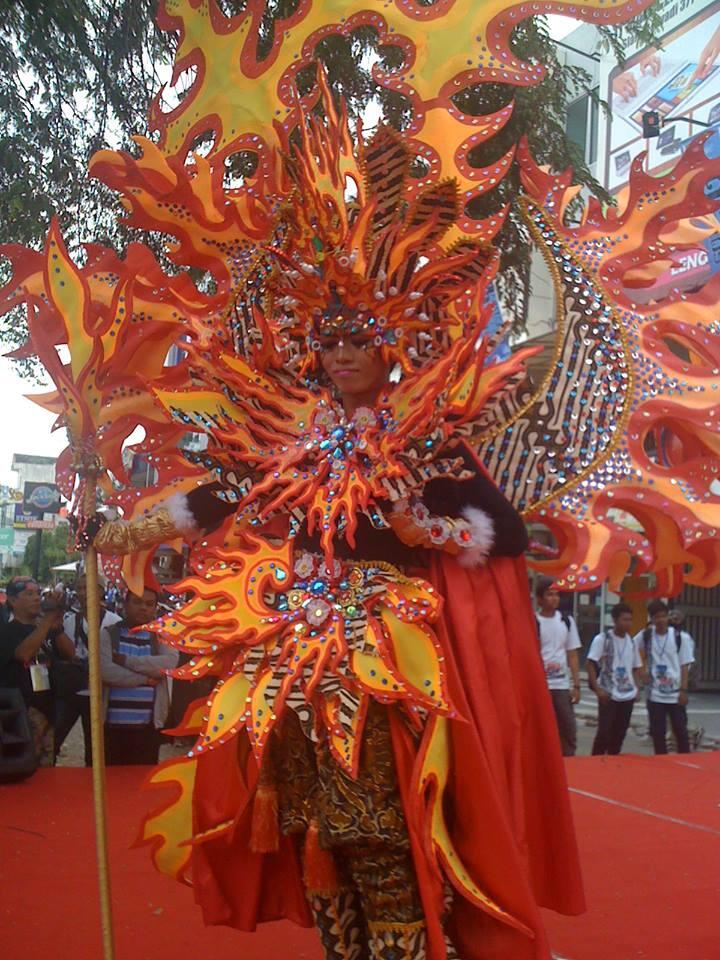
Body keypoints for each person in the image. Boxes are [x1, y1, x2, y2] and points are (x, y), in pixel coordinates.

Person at [0, 577, 74, 765]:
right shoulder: (7, 631)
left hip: (48, 707)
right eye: (29, 594)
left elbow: (70, 653)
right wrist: (47, 620)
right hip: (21, 711)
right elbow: (24, 654)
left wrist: (56, 629)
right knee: (23, 764)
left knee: (46, 764)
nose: (36, 598)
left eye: (38, 593)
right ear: (13, 600)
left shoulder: (45, 628)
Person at [100, 587, 178, 765]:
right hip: (112, 726)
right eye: (137, 602)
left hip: (148, 726)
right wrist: (145, 679)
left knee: (142, 781)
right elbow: (105, 672)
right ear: (125, 604)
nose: (143, 608)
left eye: (149, 604)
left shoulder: (161, 636)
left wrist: (126, 660)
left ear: (155, 608)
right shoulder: (108, 634)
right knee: (113, 782)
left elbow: (169, 663)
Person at [54, 573, 122, 765]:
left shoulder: (114, 622)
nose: (84, 592)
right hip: (72, 692)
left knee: (95, 749)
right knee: (54, 738)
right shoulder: (69, 621)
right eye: (81, 588)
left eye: (89, 587)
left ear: (101, 591)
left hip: (101, 693)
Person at [635, 599, 694, 754]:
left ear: (668, 616)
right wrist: (641, 672)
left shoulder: (681, 637)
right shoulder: (646, 636)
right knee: (658, 733)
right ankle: (662, 763)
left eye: (663, 616)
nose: (660, 620)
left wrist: (683, 690)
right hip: (655, 694)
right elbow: (630, 649)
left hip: (675, 693)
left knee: (681, 731)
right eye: (656, 617)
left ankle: (685, 761)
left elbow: (684, 665)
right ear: (651, 619)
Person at [586, 603, 643, 756]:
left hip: (627, 693)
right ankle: (596, 761)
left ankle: (613, 761)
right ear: (615, 620)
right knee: (604, 731)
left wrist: (637, 688)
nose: (628, 623)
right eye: (624, 620)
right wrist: (598, 689)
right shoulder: (603, 639)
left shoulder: (631, 642)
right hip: (609, 693)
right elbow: (590, 663)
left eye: (630, 620)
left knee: (620, 732)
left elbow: (636, 666)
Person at [534, 577, 582, 756]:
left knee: (568, 727)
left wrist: (576, 685)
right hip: (541, 685)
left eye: (556, 594)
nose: (554, 598)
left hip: (561, 686)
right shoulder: (533, 621)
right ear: (540, 598)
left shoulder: (566, 621)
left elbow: (572, 654)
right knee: (542, 729)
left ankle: (569, 761)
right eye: (549, 594)